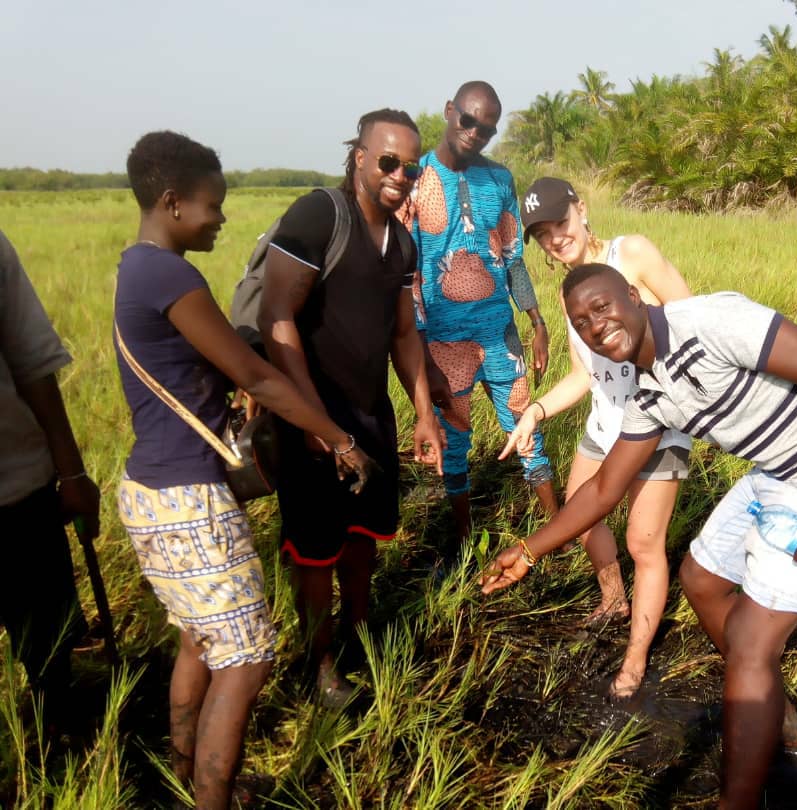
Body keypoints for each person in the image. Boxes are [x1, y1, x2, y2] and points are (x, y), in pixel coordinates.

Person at [483, 264, 797, 810]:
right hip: (778, 473)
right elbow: (605, 489)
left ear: (632, 296)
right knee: (700, 579)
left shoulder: (709, 321)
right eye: (582, 322)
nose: (596, 325)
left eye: (603, 306)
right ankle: (780, 720)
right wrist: (527, 551)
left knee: (752, 643)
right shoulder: (650, 394)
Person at [114, 130, 377, 810]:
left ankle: (190, 773)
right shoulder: (171, 275)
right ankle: (214, 797)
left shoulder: (134, 266)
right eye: (212, 206)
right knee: (247, 657)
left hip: (148, 490)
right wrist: (336, 437)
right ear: (172, 202)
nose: (222, 217)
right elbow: (255, 372)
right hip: (190, 500)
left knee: (200, 640)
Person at [258, 109, 444, 706]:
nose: (399, 175)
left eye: (411, 167)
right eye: (388, 161)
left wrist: (423, 413)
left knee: (363, 537)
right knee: (316, 550)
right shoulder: (320, 215)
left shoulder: (403, 241)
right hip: (313, 417)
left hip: (370, 416)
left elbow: (403, 335)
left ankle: (360, 634)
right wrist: (317, 424)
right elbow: (276, 316)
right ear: (359, 156)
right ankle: (320, 665)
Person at [500, 176, 693, 697]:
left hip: (659, 420)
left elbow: (695, 317)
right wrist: (535, 411)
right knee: (581, 516)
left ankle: (634, 659)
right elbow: (585, 376)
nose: (555, 239)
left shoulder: (633, 253)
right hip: (607, 423)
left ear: (581, 211)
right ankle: (613, 599)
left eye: (560, 224)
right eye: (542, 235)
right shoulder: (570, 294)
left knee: (643, 542)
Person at [401, 80, 556, 554]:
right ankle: (465, 540)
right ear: (449, 112)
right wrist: (423, 355)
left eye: (486, 129)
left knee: (526, 429)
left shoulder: (500, 180)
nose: (474, 133)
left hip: (499, 332)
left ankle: (558, 533)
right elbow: (407, 277)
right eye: (467, 121)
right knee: (454, 444)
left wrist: (537, 321)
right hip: (444, 344)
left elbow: (512, 255)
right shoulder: (414, 180)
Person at [0, 228, 99, 727]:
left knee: (49, 649)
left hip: (17, 487)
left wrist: (73, 472)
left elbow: (33, 363)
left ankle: (55, 749)